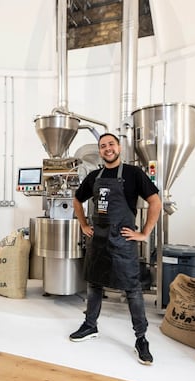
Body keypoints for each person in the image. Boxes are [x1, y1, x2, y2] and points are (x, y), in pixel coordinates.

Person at [70, 132, 162, 365]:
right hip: (99, 240)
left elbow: (155, 201)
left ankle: (141, 338)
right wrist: (83, 224)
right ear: (100, 151)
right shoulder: (93, 176)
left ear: (119, 148)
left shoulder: (133, 174)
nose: (107, 149)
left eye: (111, 144)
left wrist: (145, 233)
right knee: (94, 284)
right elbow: (77, 200)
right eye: (103, 146)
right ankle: (90, 325)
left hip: (123, 242)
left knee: (132, 289)